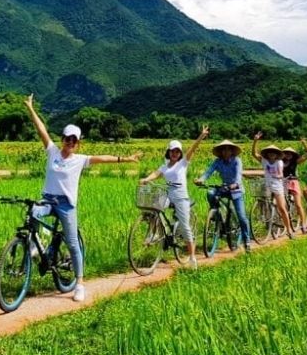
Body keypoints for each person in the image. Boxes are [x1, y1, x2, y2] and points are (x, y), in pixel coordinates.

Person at [25, 94, 141, 302]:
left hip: (66, 205)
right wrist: (31, 108)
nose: (69, 142)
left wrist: (126, 158)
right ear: (62, 139)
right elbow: (41, 129)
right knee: (33, 211)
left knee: (72, 244)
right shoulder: (52, 151)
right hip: (48, 199)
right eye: (67, 138)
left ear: (78, 143)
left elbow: (102, 159)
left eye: (74, 140)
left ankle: (79, 283)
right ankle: (35, 246)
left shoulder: (80, 160)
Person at [139, 126, 210, 268]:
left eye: (178, 151)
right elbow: (156, 173)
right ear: (168, 152)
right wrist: (146, 179)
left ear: (180, 153)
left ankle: (192, 258)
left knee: (185, 227)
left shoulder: (183, 163)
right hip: (168, 195)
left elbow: (192, 149)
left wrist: (201, 136)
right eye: (172, 151)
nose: (175, 153)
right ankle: (152, 234)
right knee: (154, 208)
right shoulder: (164, 166)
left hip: (181, 197)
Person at [194, 139, 252, 252]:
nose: (225, 152)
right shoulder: (217, 161)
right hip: (225, 188)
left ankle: (247, 241)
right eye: (223, 150)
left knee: (241, 217)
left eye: (228, 149)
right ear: (220, 152)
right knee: (210, 192)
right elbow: (208, 172)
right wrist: (201, 180)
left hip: (236, 190)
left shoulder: (237, 161)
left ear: (232, 151)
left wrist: (235, 184)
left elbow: (238, 176)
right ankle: (216, 217)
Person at [250, 132, 295, 239]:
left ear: (276, 154)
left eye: (273, 153)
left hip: (277, 185)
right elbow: (254, 154)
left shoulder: (279, 162)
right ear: (267, 154)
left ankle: (289, 230)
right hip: (267, 184)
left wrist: (276, 176)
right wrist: (255, 141)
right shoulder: (264, 160)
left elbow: (280, 174)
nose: (271, 155)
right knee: (261, 199)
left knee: (282, 208)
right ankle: (265, 218)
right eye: (270, 153)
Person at [281, 145, 307, 233]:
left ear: (293, 155)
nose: (288, 155)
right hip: (283, 182)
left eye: (290, 153)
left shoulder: (295, 161)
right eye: (286, 153)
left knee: (298, 204)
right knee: (282, 204)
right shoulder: (280, 162)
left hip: (293, 181)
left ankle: (303, 225)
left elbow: (305, 157)